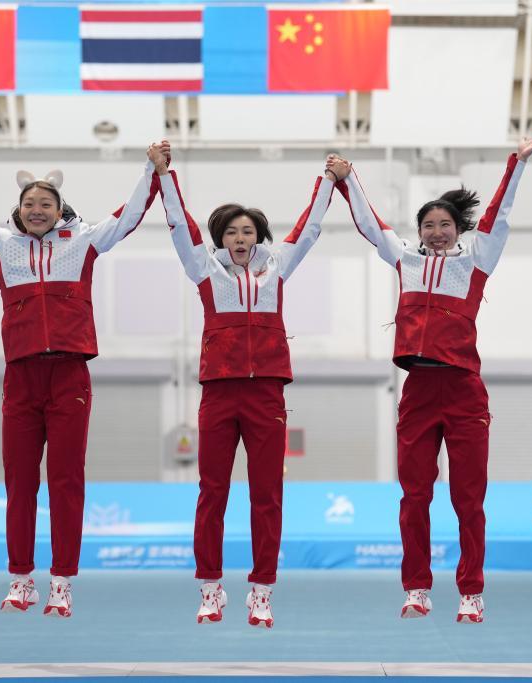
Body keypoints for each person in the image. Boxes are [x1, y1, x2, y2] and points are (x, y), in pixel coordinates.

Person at [0, 124, 161, 617]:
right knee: (20, 483)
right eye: (29, 203)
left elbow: (129, 215)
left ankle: (62, 582)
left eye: (46, 202)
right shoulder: (0, 245)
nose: (37, 209)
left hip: (69, 377)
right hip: (21, 379)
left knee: (66, 482)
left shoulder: (84, 242)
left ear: (60, 208)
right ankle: (21, 579)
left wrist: (150, 171)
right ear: (19, 209)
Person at [331, 133, 532, 623]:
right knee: (414, 498)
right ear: (418, 232)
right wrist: (349, 181)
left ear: (458, 230)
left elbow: (499, 217)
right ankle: (417, 589)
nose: (437, 232)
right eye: (428, 225)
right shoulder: (405, 260)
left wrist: (516, 163)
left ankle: (471, 592)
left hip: (464, 392)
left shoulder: (476, 261)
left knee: (468, 501)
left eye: (445, 225)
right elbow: (371, 224)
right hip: (418, 391)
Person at [148, 140, 349, 628]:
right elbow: (179, 224)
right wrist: (164, 175)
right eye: (232, 232)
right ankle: (210, 588)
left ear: (260, 237)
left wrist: (329, 180)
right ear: (221, 237)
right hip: (219, 391)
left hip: (267, 395)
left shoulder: (277, 267)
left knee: (267, 494)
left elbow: (309, 228)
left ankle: (262, 591)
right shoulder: (204, 267)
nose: (240, 239)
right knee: (211, 492)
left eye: (248, 231)